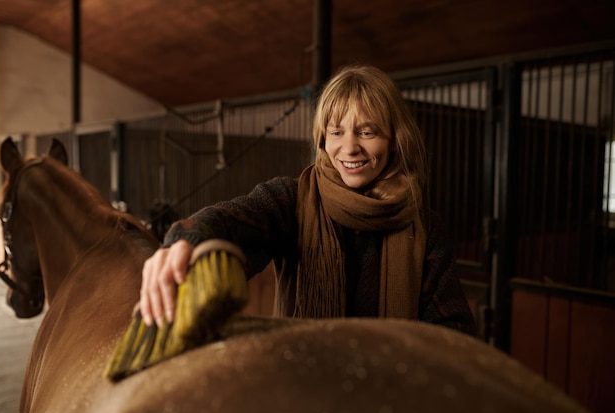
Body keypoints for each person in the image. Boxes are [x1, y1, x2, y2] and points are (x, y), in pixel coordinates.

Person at [139, 65, 476, 336]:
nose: (349, 147)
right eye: (336, 131)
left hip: (388, 393)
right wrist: (185, 241)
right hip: (303, 385)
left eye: (368, 131)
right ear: (322, 138)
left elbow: (453, 332)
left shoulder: (425, 227)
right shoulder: (293, 201)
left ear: (393, 140)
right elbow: (232, 220)